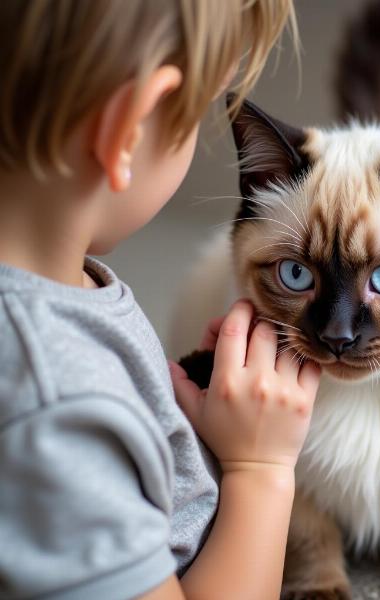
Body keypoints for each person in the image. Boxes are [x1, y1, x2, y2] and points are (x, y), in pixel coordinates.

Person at [0, 2, 321, 599]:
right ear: (130, 127)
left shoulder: (59, 284)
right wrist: (261, 472)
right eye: (200, 112)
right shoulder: (52, 404)